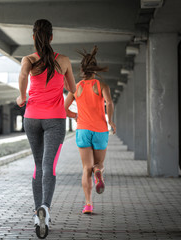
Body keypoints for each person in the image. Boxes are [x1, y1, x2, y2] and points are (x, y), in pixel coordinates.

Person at [16, 19, 76, 239]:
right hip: (55, 120)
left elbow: (23, 75)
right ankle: (45, 208)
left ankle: (36, 213)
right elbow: (73, 89)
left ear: (34, 37)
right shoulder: (65, 61)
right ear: (52, 37)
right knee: (49, 165)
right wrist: (64, 96)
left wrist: (22, 97)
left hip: (31, 118)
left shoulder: (28, 60)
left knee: (38, 165)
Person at [64, 46, 116, 214]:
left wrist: (75, 115)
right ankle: (98, 172)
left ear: (81, 69)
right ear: (95, 68)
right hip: (100, 130)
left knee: (85, 168)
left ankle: (88, 204)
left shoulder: (76, 88)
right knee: (98, 163)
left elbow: (64, 109)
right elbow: (110, 103)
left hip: (83, 131)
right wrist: (111, 121)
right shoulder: (102, 86)